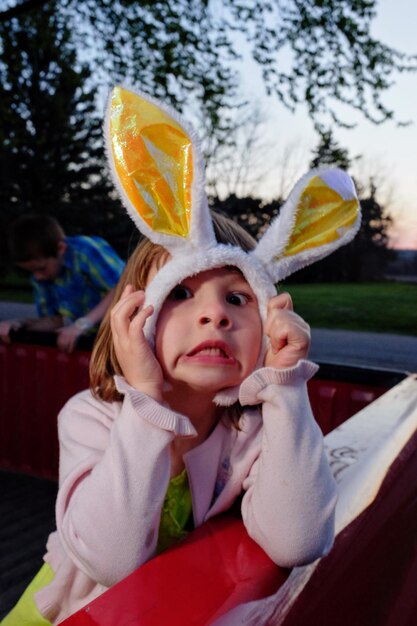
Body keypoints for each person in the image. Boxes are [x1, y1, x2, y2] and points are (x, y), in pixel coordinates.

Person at [1, 85, 361, 625]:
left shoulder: (255, 429)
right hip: (69, 608)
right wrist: (145, 398)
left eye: (239, 299)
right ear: (134, 318)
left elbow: (298, 540)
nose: (215, 315)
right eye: (181, 293)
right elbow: (110, 560)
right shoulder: (88, 417)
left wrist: (286, 388)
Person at [0, 215, 125, 353]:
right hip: (96, 341)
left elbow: (122, 287)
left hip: (128, 333)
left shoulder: (85, 251)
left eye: (41, 268)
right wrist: (19, 324)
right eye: (31, 272)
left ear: (61, 248)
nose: (37, 277)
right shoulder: (42, 277)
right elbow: (55, 321)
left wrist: (82, 325)